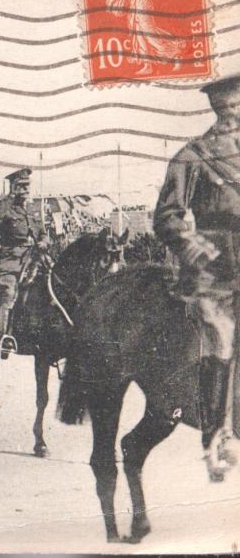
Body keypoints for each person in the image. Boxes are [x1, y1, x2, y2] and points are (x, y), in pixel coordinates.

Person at [153, 72, 240, 481]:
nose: (233, 116)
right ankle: (215, 435)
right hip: (213, 268)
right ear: (215, 110)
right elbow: (167, 216)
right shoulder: (193, 155)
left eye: (238, 107)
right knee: (220, 335)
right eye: (226, 110)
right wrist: (194, 246)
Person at [0, 168, 47, 358]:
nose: (25, 189)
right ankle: (6, 336)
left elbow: (42, 232)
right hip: (11, 258)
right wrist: (10, 196)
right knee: (10, 291)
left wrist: (45, 241)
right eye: (21, 186)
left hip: (35, 257)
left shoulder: (32, 209)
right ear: (14, 187)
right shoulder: (4, 207)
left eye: (27, 185)